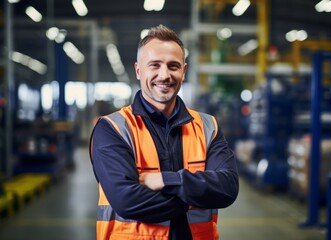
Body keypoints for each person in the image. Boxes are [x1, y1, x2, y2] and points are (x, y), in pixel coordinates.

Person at [90, 24, 239, 240]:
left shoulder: (208, 126)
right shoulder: (113, 128)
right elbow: (127, 201)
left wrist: (165, 180)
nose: (165, 75)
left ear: (184, 71)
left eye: (173, 66)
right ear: (139, 70)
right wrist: (195, 199)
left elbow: (227, 188)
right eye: (155, 65)